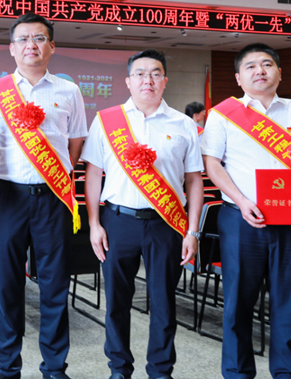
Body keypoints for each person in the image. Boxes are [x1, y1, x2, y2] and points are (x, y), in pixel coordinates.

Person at [201, 43, 291, 379]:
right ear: (238, 77)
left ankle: (288, 373)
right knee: (238, 303)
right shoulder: (222, 114)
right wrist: (241, 200)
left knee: (290, 302)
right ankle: (237, 373)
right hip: (241, 219)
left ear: (279, 72)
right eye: (251, 66)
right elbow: (212, 163)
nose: (260, 71)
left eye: (267, 64)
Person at [0, 13, 87, 379]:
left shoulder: (69, 91)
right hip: (8, 197)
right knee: (8, 284)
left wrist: (55, 173)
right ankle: (7, 367)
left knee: (55, 284)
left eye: (39, 38)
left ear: (51, 46)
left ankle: (54, 368)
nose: (31, 45)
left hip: (53, 197)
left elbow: (75, 142)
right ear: (12, 48)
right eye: (23, 39)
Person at [83, 49, 203, 379]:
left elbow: (194, 180)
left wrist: (192, 231)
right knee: (116, 302)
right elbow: (93, 175)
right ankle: (119, 369)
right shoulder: (106, 120)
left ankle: (160, 371)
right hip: (117, 222)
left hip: (166, 223)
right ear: (128, 81)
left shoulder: (184, 124)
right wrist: (94, 224)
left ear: (165, 80)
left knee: (163, 302)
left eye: (155, 73)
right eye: (140, 73)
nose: (147, 80)